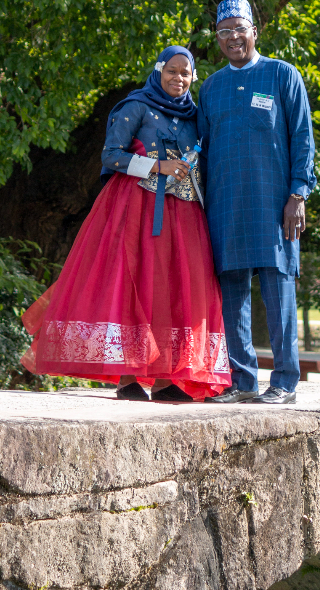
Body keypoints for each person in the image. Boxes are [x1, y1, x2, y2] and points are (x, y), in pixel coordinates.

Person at [20, 45, 231, 403]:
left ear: (193, 77)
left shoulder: (198, 117)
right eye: (172, 71)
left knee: (175, 289)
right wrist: (156, 166)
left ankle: (167, 378)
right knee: (136, 284)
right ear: (158, 70)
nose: (178, 78)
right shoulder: (135, 106)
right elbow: (111, 156)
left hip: (184, 214)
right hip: (136, 209)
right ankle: (128, 375)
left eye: (186, 73)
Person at [197, 0, 316, 404]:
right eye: (223, 31)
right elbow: (202, 152)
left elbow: (302, 138)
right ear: (218, 38)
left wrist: (298, 193)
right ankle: (242, 382)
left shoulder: (283, 75)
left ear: (254, 31)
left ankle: (284, 382)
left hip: (274, 204)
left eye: (239, 28)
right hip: (225, 205)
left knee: (279, 291)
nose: (232, 37)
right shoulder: (210, 87)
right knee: (232, 296)